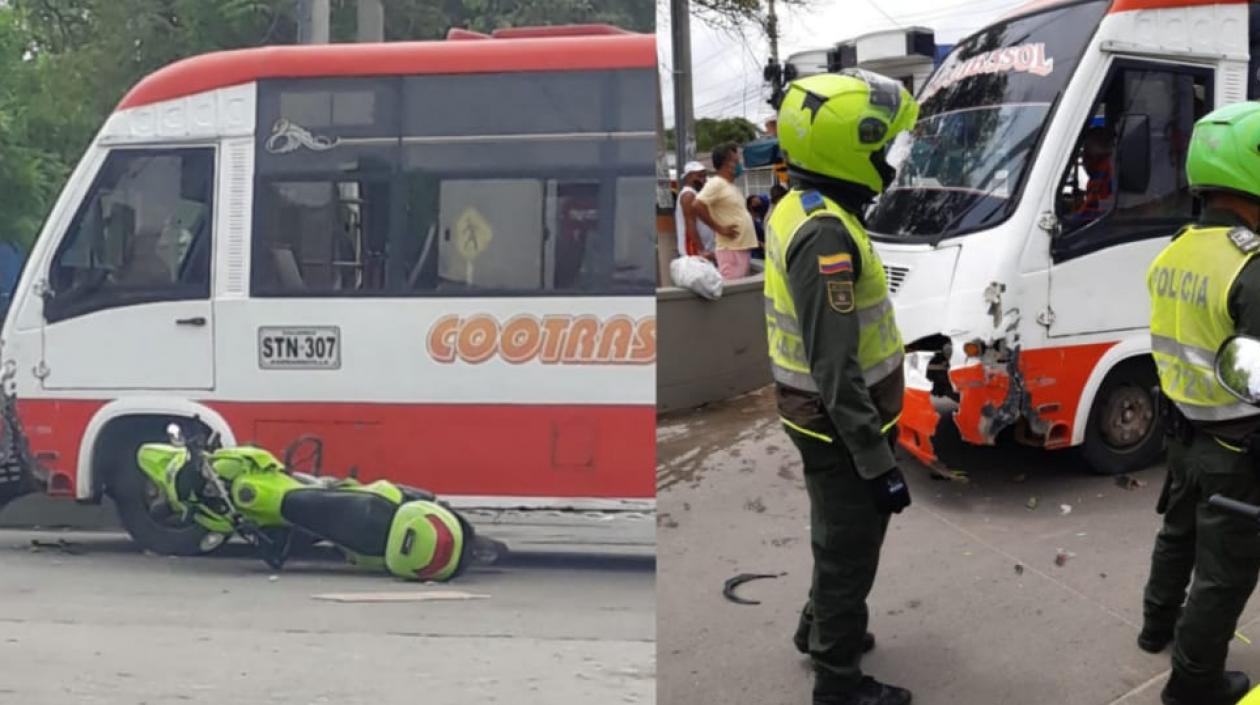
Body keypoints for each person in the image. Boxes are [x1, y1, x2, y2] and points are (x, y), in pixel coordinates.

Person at [766, 70, 918, 705]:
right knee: (849, 551)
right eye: (884, 146)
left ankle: (817, 631)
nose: (892, 159)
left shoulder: (804, 207)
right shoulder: (826, 234)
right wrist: (878, 462)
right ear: (849, 151)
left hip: (820, 418)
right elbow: (835, 371)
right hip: (839, 427)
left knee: (836, 536)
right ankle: (837, 681)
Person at [1140, 101, 1260, 705]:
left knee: (1176, 536)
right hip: (1235, 448)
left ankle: (1156, 625)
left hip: (1182, 429)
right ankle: (1193, 682)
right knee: (1225, 572)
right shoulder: (1252, 266)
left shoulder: (1175, 249)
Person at [695, 142, 759, 279]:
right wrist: (719, 228)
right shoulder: (716, 183)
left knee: (740, 291)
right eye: (736, 161)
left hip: (739, 247)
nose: (739, 164)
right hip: (731, 250)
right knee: (733, 292)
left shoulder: (729, 186)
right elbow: (697, 204)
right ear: (726, 163)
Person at [674, 161, 715, 259]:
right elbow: (690, 223)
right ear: (689, 177)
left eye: (704, 176)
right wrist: (701, 250)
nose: (704, 180)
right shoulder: (689, 195)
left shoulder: (697, 194)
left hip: (703, 250)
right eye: (700, 176)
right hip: (693, 252)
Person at [747, 193, 768, 260]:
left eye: (759, 202)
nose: (759, 203)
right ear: (750, 205)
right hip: (755, 252)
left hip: (764, 250)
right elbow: (749, 237)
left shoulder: (760, 216)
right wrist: (762, 244)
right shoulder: (748, 220)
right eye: (756, 202)